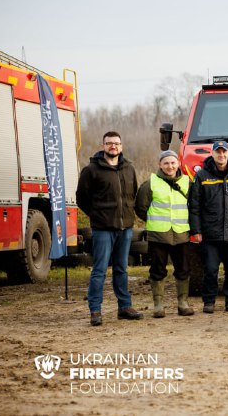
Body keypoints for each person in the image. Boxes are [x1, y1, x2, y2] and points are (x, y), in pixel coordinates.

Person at [77, 131, 143, 326]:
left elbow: (133, 194)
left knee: (121, 269)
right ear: (103, 145)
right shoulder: (91, 170)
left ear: (121, 146)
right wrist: (98, 215)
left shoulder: (129, 168)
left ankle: (124, 307)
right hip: (103, 228)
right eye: (109, 143)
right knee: (99, 270)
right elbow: (82, 198)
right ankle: (95, 310)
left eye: (116, 143)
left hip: (125, 229)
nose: (113, 146)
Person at [188, 141, 228, 314]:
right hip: (210, 234)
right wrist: (196, 230)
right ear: (212, 154)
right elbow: (194, 206)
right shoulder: (202, 176)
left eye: (224, 152)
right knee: (211, 270)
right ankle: (209, 302)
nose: (221, 156)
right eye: (218, 152)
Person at [135, 150, 195, 318]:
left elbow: (194, 207)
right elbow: (141, 207)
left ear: (178, 164)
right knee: (157, 269)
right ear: (160, 165)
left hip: (181, 233)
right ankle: (158, 305)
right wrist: (154, 221)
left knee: (183, 269)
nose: (170, 166)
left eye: (173, 163)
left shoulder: (187, 183)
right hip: (158, 235)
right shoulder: (150, 184)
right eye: (166, 163)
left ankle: (183, 303)